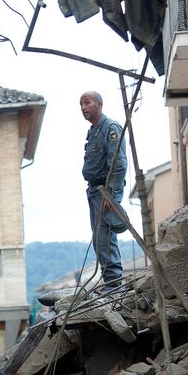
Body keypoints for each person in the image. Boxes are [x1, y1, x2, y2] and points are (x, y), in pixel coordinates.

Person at [80, 91, 127, 291]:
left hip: (104, 191)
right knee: (99, 239)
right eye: (80, 104)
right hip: (95, 191)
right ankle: (111, 283)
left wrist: (112, 193)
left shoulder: (110, 128)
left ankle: (114, 284)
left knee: (105, 238)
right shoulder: (93, 131)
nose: (83, 107)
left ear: (99, 104)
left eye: (87, 103)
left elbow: (118, 163)